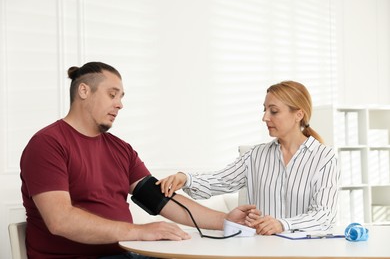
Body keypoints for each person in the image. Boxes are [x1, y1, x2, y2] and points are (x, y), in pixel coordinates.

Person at [20, 61, 256, 259]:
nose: (120, 104)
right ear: (84, 91)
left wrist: (226, 219)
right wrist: (140, 231)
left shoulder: (120, 149)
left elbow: (162, 201)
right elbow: (60, 220)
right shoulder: (48, 144)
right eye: (112, 94)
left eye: (121, 97)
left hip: (121, 255)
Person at [157, 81, 340, 236]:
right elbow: (220, 180)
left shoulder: (325, 158)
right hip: (261, 251)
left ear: (298, 115)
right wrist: (186, 179)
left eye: (274, 111)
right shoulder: (255, 156)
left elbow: (324, 215)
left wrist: (282, 224)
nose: (265, 117)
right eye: (265, 110)